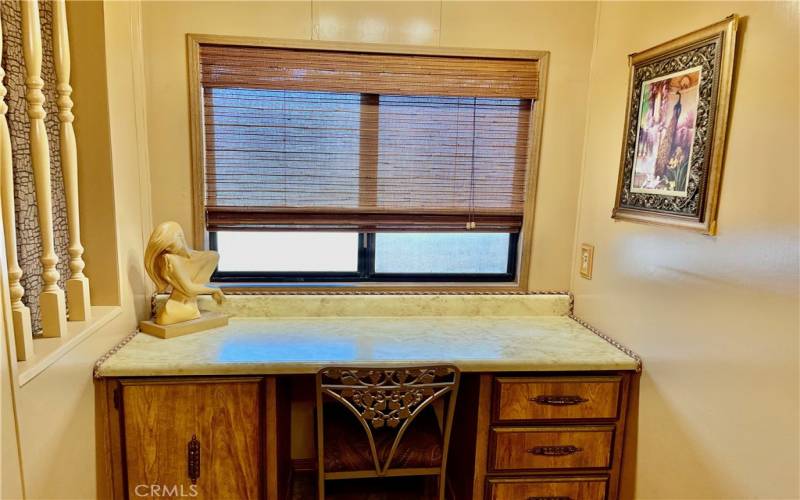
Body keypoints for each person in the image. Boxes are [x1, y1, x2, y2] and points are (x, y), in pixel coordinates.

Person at [144, 221, 225, 325]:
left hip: (191, 309)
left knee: (213, 256)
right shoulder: (170, 259)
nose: (167, 249)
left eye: (169, 244)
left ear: (179, 236)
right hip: (172, 312)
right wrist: (215, 290)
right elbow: (189, 289)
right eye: (164, 247)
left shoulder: (210, 257)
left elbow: (195, 287)